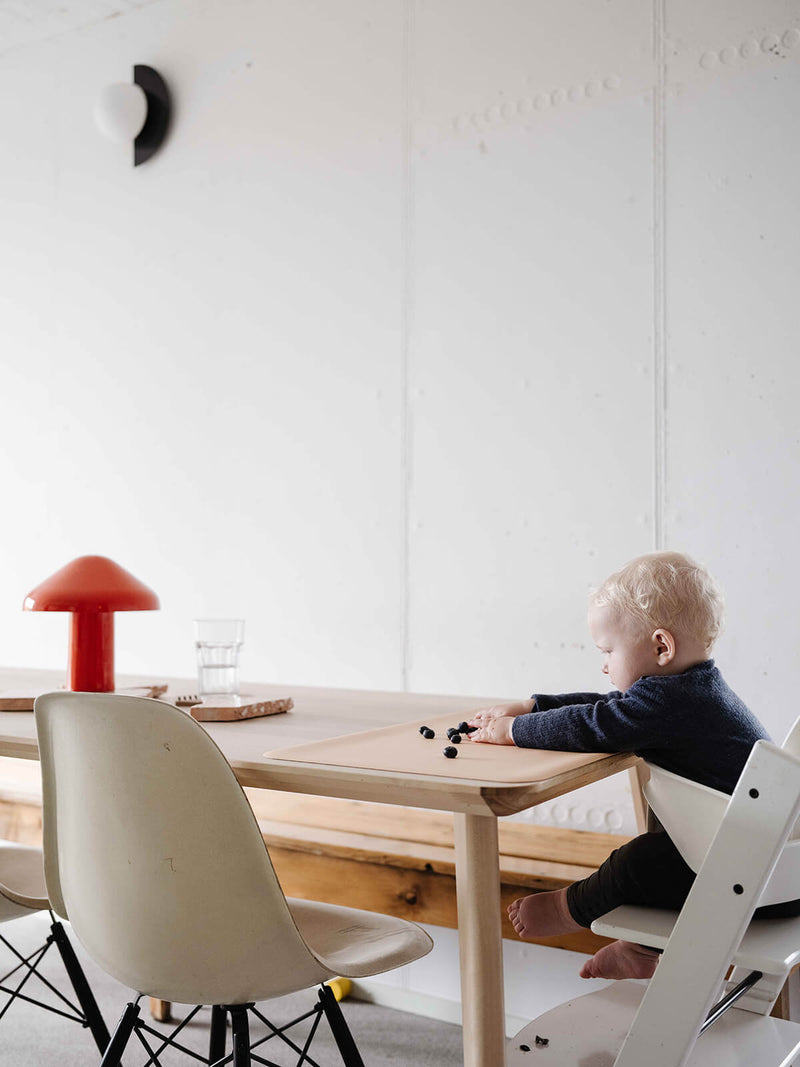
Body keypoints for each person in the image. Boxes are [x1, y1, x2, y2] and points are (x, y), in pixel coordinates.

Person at [467, 551, 797, 980]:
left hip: (753, 884)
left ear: (661, 646)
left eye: (608, 650)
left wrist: (514, 731)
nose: (603, 664)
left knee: (640, 862)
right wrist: (534, 706)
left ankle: (567, 909)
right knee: (670, 830)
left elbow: (597, 725)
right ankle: (641, 948)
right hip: (779, 873)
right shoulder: (692, 692)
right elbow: (609, 709)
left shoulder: (670, 703)